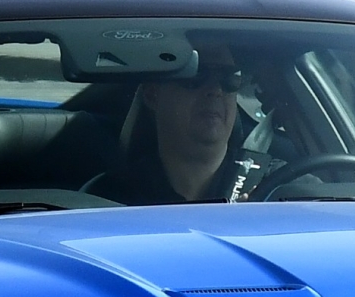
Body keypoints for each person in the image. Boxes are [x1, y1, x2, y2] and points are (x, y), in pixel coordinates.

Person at [93, 47, 274, 203]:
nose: (215, 90)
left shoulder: (273, 187)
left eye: (229, 78)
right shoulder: (110, 198)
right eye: (196, 75)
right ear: (152, 95)